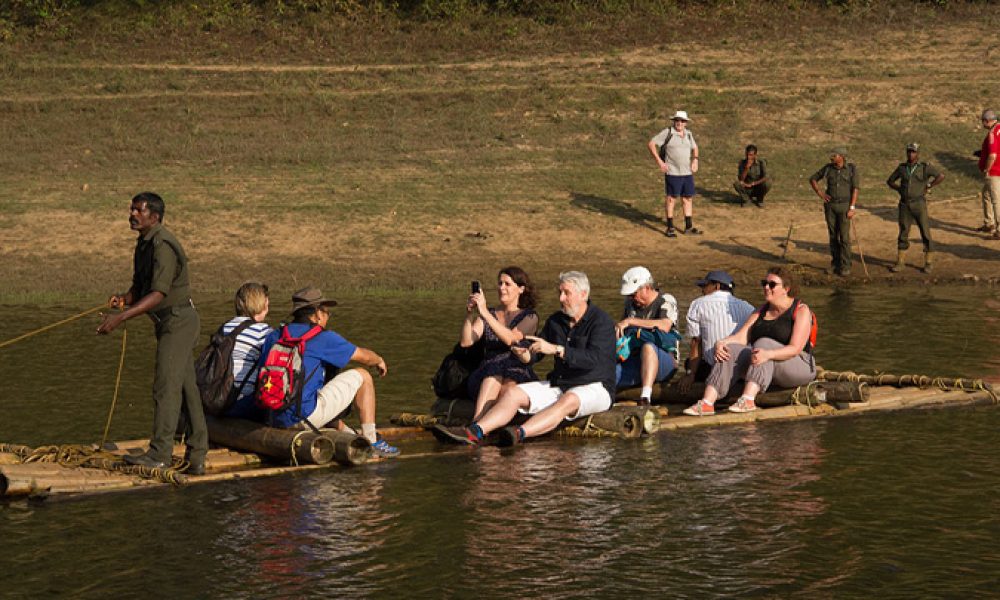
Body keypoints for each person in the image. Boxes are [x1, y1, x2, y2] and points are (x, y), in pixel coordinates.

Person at [433, 271, 616, 447]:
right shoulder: (555, 321)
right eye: (559, 292)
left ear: (583, 294)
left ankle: (518, 433)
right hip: (562, 383)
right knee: (513, 393)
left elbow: (595, 359)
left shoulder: (601, 322)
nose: (560, 298)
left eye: (566, 293)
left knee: (568, 400)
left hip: (596, 386)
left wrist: (558, 350)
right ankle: (475, 431)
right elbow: (537, 352)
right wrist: (526, 355)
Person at [96, 192, 208, 474]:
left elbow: (158, 293)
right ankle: (198, 453)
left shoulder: (162, 245)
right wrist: (125, 299)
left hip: (179, 322)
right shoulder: (143, 244)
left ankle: (160, 453)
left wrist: (121, 317)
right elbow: (141, 287)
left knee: (165, 387)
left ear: (154, 217)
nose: (132, 214)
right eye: (131, 209)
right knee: (185, 387)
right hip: (167, 323)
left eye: (138, 210)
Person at [256, 286, 400, 457]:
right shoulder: (322, 337)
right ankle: (372, 442)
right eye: (326, 312)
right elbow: (364, 357)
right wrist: (379, 360)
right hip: (303, 418)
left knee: (317, 393)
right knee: (363, 376)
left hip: (273, 416)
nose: (327, 316)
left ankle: (353, 436)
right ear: (317, 314)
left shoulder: (276, 335)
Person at [683, 267, 816, 416]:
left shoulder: (801, 310)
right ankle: (707, 402)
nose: (766, 287)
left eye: (772, 284)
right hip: (768, 364)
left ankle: (748, 399)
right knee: (731, 349)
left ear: (786, 289)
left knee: (763, 344)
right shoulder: (759, 312)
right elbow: (741, 338)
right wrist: (721, 343)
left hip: (799, 365)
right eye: (764, 283)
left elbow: (795, 348)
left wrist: (768, 354)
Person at [461, 266, 539, 420]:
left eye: (507, 284)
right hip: (487, 375)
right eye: (500, 283)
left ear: (521, 289)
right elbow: (466, 341)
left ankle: (484, 427)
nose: (502, 288)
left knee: (510, 386)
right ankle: (476, 423)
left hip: (517, 371)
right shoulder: (488, 314)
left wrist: (484, 313)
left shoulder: (530, 316)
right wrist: (470, 314)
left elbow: (511, 339)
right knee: (493, 374)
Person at [677, 270, 755, 395]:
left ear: (717, 286)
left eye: (705, 286)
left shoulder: (698, 304)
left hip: (713, 370)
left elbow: (696, 343)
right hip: (741, 370)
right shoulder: (749, 307)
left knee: (689, 363)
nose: (702, 290)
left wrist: (690, 374)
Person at [615, 266, 681, 405]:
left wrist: (631, 321)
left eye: (634, 294)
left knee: (648, 346)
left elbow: (665, 325)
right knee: (607, 374)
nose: (632, 298)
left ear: (646, 287)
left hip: (665, 360)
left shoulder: (666, 300)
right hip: (635, 360)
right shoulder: (630, 305)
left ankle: (645, 396)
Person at [218, 281, 274, 420]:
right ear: (263, 304)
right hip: (242, 405)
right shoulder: (264, 332)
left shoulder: (224, 328)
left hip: (217, 400)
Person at [886, 143, 945, 273]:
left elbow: (940, 176)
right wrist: (899, 189)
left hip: (919, 204)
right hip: (904, 204)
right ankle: (900, 262)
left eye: (913, 152)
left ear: (918, 153)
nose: (910, 154)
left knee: (925, 232)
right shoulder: (902, 168)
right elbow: (890, 181)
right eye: (909, 152)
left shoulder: (924, 167)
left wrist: (929, 185)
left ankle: (928, 262)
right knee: (903, 232)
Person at [648, 110, 702, 237]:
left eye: (682, 121)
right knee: (671, 199)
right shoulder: (668, 132)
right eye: (677, 120)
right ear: (674, 121)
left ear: (686, 123)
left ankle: (688, 227)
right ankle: (670, 227)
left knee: (688, 198)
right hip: (672, 172)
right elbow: (651, 144)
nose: (679, 123)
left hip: (687, 172)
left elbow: (695, 147)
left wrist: (695, 160)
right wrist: (660, 162)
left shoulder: (688, 134)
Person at [809, 147, 859, 276]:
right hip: (830, 206)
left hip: (844, 206)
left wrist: (852, 207)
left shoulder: (851, 169)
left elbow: (855, 189)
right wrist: (820, 193)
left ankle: (846, 265)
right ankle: (835, 264)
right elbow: (813, 179)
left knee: (844, 237)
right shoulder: (828, 168)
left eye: (834, 155)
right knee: (833, 236)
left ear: (842, 156)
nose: (832, 157)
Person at [977, 109, 1000, 239]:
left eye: (983, 121)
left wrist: (986, 169)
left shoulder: (992, 133)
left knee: (996, 200)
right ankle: (989, 223)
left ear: (987, 120)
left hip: (994, 172)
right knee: (986, 194)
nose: (982, 124)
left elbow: (992, 155)